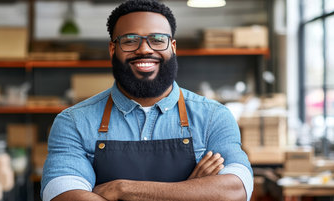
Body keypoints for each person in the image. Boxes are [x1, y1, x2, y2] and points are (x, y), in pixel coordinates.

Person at [41, 0, 253, 200]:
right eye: (130, 40)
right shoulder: (74, 122)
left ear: (173, 47)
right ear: (113, 49)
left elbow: (236, 190)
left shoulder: (213, 118)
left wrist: (122, 189)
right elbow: (61, 194)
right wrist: (193, 189)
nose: (144, 49)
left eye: (158, 40)